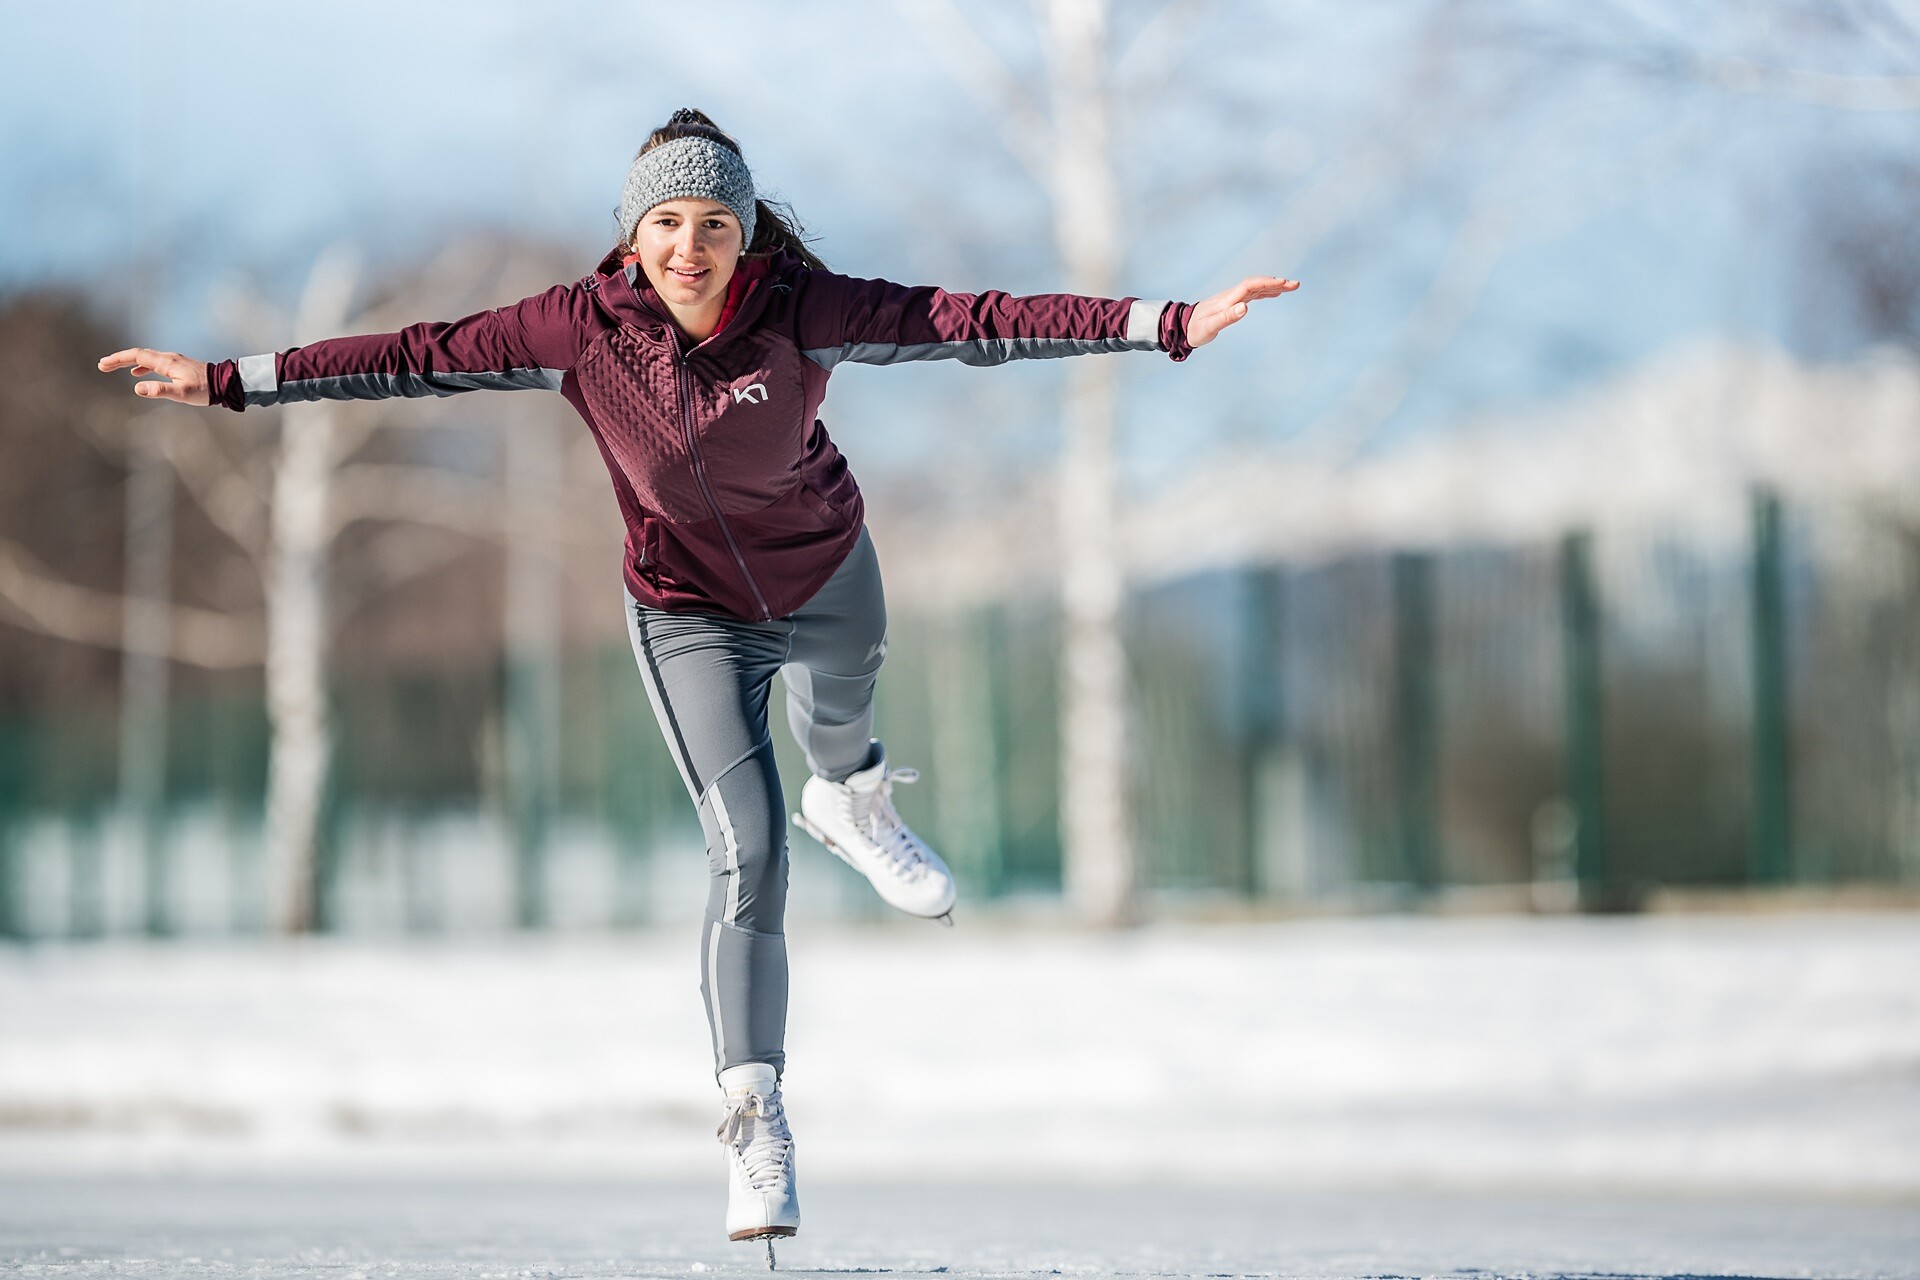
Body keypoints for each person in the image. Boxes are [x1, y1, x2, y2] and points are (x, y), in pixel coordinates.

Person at [98, 106, 1299, 1250]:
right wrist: (232, 377)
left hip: (829, 574)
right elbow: (412, 353)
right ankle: (755, 1114)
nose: (690, 247)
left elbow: (970, 316)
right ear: (634, 234)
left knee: (841, 732)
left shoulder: (803, 310)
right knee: (751, 844)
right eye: (666, 225)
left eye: (714, 226)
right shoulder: (577, 328)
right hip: (688, 616)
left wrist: (1165, 321)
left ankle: (860, 798)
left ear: (744, 235)